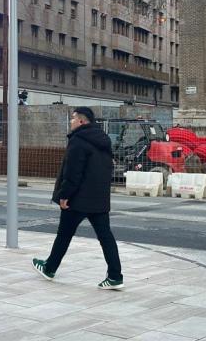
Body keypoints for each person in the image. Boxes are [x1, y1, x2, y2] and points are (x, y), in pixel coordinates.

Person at [33, 107, 124, 290]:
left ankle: (49, 268)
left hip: (78, 199)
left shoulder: (78, 141)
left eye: (73, 119)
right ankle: (115, 276)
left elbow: (73, 173)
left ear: (82, 121)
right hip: (99, 198)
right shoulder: (103, 141)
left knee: (64, 235)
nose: (71, 122)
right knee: (106, 237)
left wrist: (64, 195)